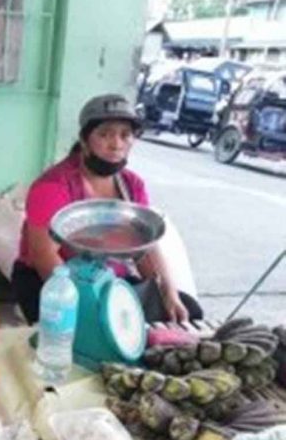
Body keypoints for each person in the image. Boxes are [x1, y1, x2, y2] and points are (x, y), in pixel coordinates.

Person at [12, 93, 203, 325]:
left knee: (187, 311)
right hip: (51, 281)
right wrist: (84, 304)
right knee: (93, 329)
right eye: (105, 134)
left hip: (107, 280)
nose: (116, 144)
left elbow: (146, 249)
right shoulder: (52, 186)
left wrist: (168, 293)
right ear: (84, 139)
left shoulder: (132, 186)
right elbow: (43, 255)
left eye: (125, 135)